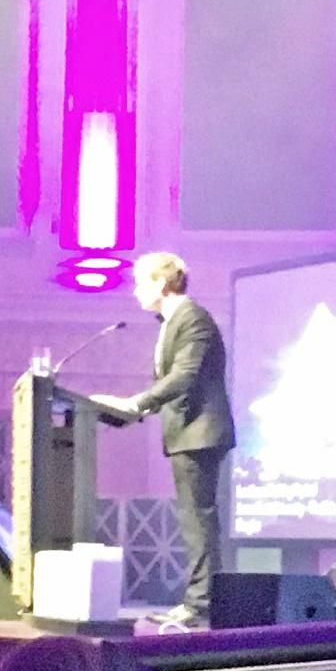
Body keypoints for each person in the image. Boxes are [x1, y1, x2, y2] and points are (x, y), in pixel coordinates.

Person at [94, 251, 234, 630]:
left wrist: (136, 403)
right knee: (194, 523)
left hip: (199, 435)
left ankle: (202, 608)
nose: (135, 292)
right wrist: (130, 413)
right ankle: (198, 604)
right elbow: (174, 386)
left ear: (161, 282)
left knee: (198, 523)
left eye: (140, 283)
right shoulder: (171, 322)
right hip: (187, 434)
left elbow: (184, 377)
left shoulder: (192, 318)